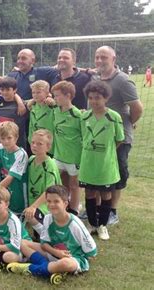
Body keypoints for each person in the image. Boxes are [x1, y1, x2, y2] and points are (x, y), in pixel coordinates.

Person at [93, 46, 143, 225]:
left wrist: (128, 123)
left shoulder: (122, 80)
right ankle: (98, 208)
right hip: (99, 136)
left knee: (117, 172)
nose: (99, 60)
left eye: (104, 57)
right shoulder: (96, 77)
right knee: (99, 171)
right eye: (97, 57)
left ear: (113, 58)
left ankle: (113, 211)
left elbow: (137, 108)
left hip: (120, 138)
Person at [7, 185, 97, 284]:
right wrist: (56, 252)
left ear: (65, 203)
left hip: (71, 258)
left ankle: (30, 268)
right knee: (22, 243)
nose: (51, 204)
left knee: (66, 263)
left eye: (56, 201)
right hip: (53, 253)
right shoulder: (48, 218)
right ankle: (48, 266)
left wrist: (71, 257)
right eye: (49, 201)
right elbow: (44, 244)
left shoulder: (75, 224)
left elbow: (92, 251)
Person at [79, 81, 124, 240]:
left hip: (105, 165)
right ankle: (92, 223)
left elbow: (119, 139)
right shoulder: (84, 116)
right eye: (90, 98)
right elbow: (83, 137)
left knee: (105, 194)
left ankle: (103, 225)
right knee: (89, 192)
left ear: (106, 98)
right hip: (88, 164)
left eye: (97, 98)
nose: (93, 101)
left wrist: (107, 153)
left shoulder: (114, 117)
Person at [0, 122, 28, 216]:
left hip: (17, 193)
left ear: (16, 137)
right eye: (2, 138)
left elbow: (10, 177)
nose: (6, 141)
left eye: (9, 138)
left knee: (16, 219)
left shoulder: (21, 154)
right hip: (1, 190)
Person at [51, 81, 82, 215]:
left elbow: (84, 135)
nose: (55, 98)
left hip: (73, 157)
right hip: (58, 155)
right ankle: (64, 205)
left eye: (57, 95)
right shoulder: (55, 110)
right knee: (60, 183)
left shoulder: (77, 114)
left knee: (74, 185)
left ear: (68, 95)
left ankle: (74, 210)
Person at [24, 130, 61, 234]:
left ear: (48, 147)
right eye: (33, 142)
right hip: (33, 202)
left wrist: (33, 207)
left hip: (47, 204)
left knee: (31, 215)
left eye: (40, 144)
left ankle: (48, 236)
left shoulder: (50, 165)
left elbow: (49, 192)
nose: (35, 146)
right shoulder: (31, 160)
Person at [0, 77, 29, 150]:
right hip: (1, 145)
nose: (4, 92)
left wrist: (20, 102)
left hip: (18, 145)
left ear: (15, 90)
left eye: (8, 90)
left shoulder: (22, 105)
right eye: (2, 90)